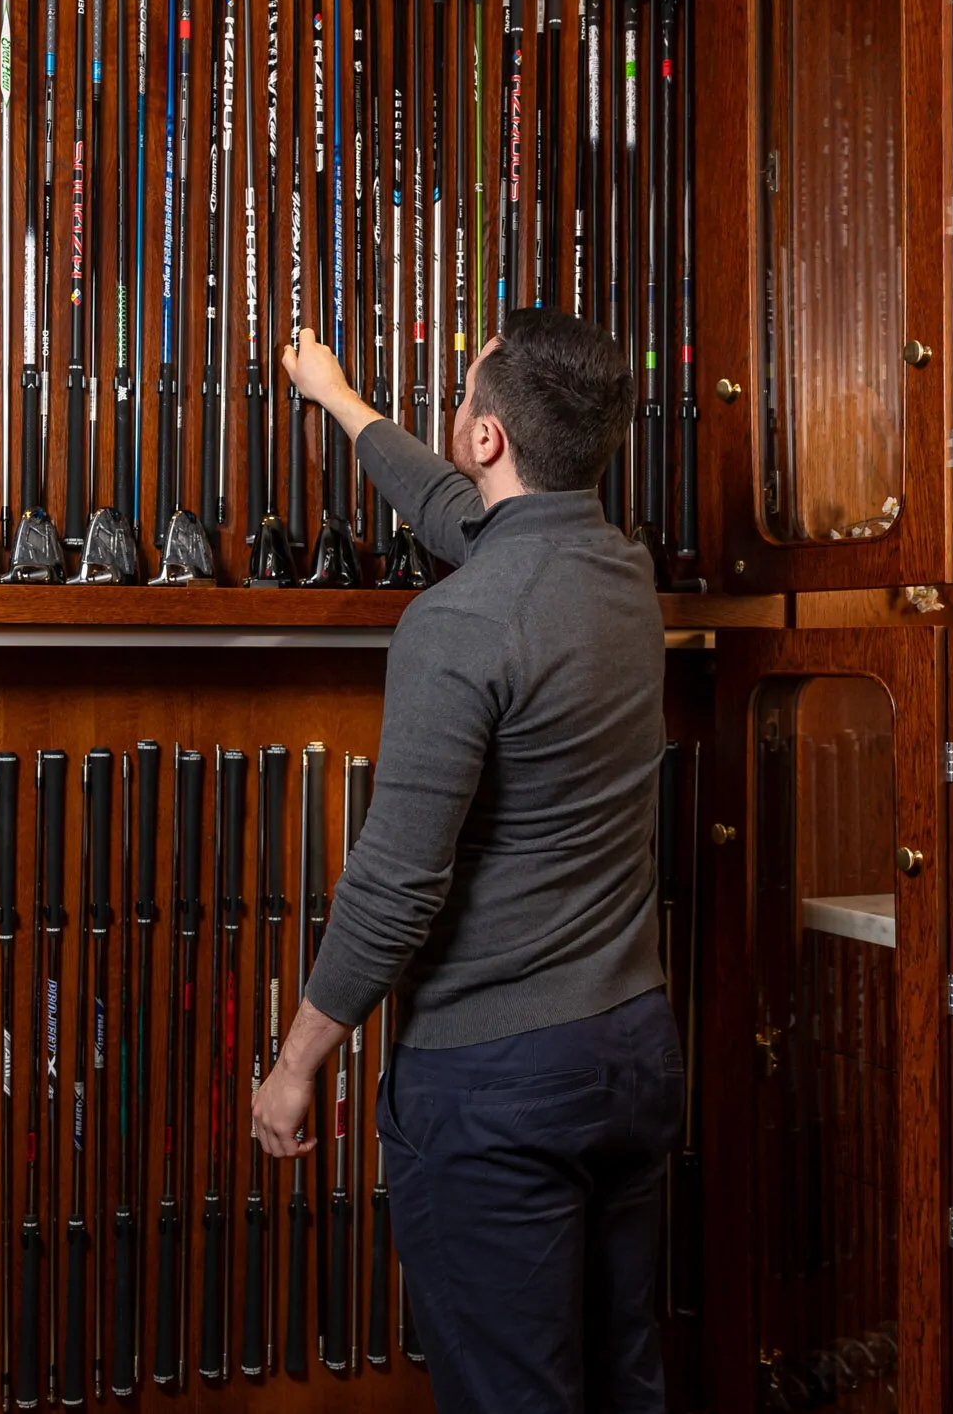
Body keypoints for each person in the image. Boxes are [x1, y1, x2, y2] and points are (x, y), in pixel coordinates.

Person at [252, 307, 678, 1414]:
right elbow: (465, 514)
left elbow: (394, 888)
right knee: (623, 1383)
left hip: (498, 1089)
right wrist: (339, 400)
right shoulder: (622, 576)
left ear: (487, 436)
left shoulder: (459, 624)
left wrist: (297, 1062)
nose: (458, 406)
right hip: (631, 1054)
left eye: (466, 391)